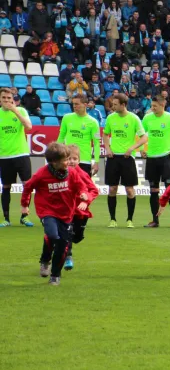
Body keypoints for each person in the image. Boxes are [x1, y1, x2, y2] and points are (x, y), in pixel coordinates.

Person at [20, 143, 89, 286]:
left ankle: (55, 275)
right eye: (65, 160)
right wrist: (25, 205)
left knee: (63, 244)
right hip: (48, 211)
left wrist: (83, 193)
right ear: (53, 162)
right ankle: (45, 261)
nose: (68, 162)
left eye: (68, 158)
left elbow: (81, 185)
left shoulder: (72, 172)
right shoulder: (41, 174)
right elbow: (28, 187)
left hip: (66, 213)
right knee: (52, 235)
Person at [141, 96, 170, 228]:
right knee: (153, 190)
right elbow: (140, 134)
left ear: (162, 105)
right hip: (151, 158)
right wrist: (140, 149)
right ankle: (155, 221)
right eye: (152, 105)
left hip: (166, 158)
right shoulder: (147, 118)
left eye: (155, 106)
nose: (152, 108)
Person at [103, 94, 148, 228]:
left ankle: (130, 219)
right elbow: (105, 134)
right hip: (113, 157)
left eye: (116, 104)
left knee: (129, 190)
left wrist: (131, 148)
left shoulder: (134, 118)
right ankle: (112, 219)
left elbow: (144, 137)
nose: (113, 106)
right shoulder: (111, 118)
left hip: (128, 158)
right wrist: (108, 148)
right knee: (112, 189)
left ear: (123, 105)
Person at [61, 145, 99, 271]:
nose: (71, 161)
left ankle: (67, 244)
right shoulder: (61, 173)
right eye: (69, 158)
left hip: (80, 212)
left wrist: (86, 199)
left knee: (77, 237)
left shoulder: (82, 174)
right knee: (68, 233)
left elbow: (94, 190)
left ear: (79, 160)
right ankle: (68, 257)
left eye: (75, 159)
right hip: (66, 210)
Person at [0, 88, 34, 227]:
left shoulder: (22, 111)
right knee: (6, 186)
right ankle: (6, 218)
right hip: (4, 156)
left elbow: (29, 127)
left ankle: (24, 216)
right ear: (0, 99)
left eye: (9, 98)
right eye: (4, 98)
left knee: (27, 185)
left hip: (21, 154)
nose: (7, 100)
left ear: (13, 100)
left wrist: (15, 111)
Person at [57, 95, 101, 177]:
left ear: (85, 104)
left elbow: (96, 143)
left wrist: (97, 162)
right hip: (68, 160)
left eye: (77, 104)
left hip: (84, 160)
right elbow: (61, 137)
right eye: (73, 104)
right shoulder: (67, 118)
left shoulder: (93, 122)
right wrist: (57, 155)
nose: (74, 106)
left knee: (84, 188)